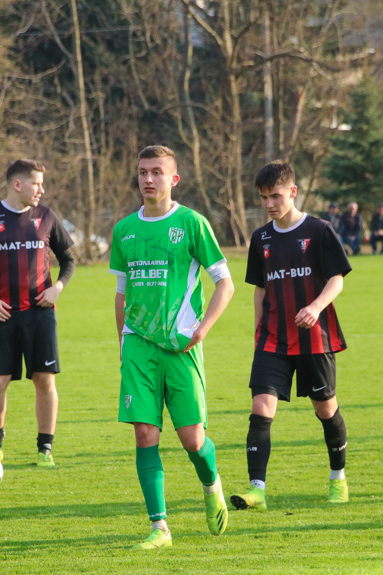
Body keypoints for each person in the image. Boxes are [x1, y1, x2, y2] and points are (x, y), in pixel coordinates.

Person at [110, 145, 234, 550]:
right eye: (143, 172)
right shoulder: (124, 229)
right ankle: (159, 527)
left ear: (173, 179)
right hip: (138, 348)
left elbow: (225, 283)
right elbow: (121, 291)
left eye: (157, 172)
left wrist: (203, 329)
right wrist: (123, 343)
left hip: (182, 347)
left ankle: (211, 483)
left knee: (192, 441)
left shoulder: (191, 223)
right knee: (145, 433)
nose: (149, 179)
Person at [230, 161, 351, 512]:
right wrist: (258, 329)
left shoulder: (319, 230)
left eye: (276, 196)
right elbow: (259, 289)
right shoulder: (261, 238)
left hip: (315, 339)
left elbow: (337, 279)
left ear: (293, 192)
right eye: (264, 198)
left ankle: (337, 478)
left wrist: (315, 307)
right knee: (260, 408)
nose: (270, 204)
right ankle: (257, 490)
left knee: (325, 410)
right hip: (273, 340)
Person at [0, 159, 75, 466]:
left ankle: (45, 449)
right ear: (17, 184)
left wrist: (58, 288)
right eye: (36, 183)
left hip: (40, 314)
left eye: (41, 183)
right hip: (1, 315)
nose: (41, 189)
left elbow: (68, 260)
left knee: (44, 380)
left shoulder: (46, 216)